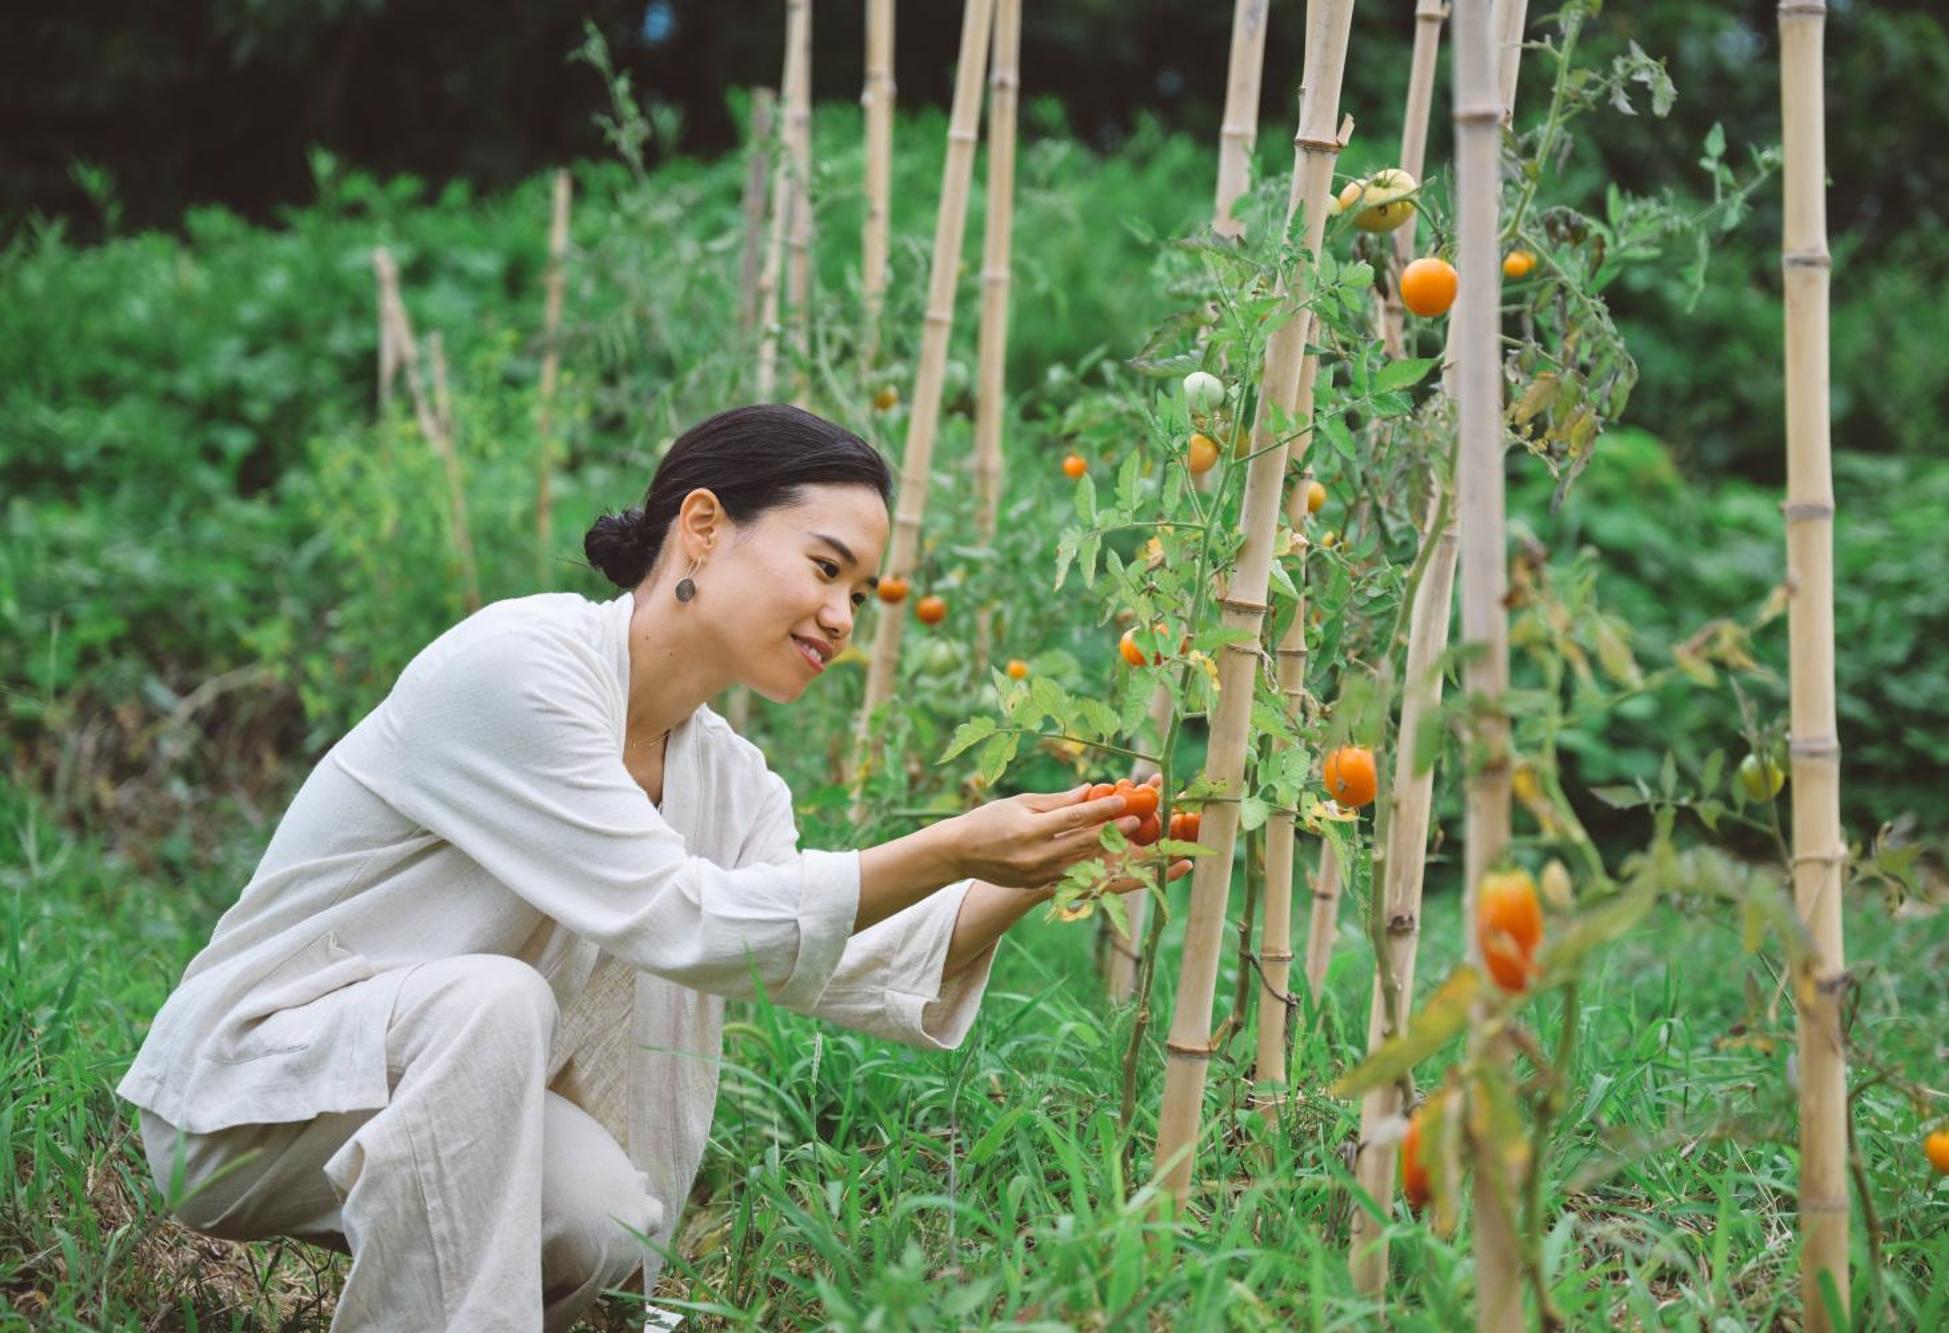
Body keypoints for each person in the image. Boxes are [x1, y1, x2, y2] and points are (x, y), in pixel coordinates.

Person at [117, 403, 1181, 1331]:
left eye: (861, 592)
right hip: (252, 1095)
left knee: (607, 1217)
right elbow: (691, 919)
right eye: (824, 569)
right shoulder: (520, 668)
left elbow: (820, 949)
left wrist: (1032, 869)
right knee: (494, 999)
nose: (842, 619)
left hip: (423, 1089)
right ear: (704, 528)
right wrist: (950, 842)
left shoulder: (724, 777)